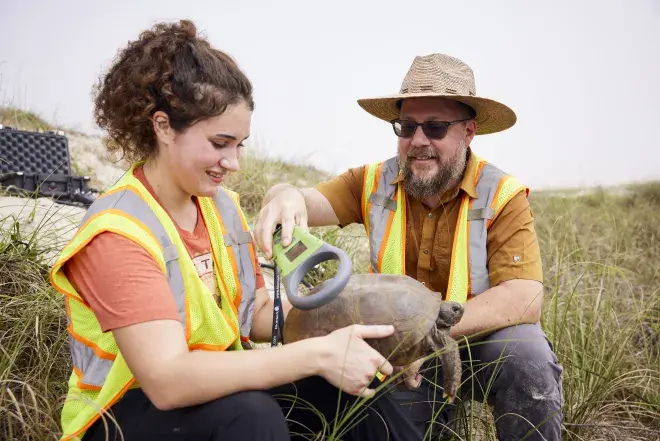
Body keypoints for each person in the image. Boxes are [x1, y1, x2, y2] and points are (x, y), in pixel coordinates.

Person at [48, 20, 424, 441]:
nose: (234, 163)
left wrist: (367, 329)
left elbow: (257, 315)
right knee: (251, 415)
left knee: (354, 390)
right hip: (122, 415)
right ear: (163, 127)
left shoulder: (219, 207)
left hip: (211, 391)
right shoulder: (117, 232)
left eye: (240, 145)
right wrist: (317, 354)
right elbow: (168, 380)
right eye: (219, 143)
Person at [254, 53, 564, 440]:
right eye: (406, 126)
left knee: (527, 355)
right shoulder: (370, 181)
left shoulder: (502, 194)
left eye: (435, 127)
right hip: (395, 354)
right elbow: (303, 199)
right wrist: (284, 194)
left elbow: (523, 298)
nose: (418, 141)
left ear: (468, 132)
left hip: (474, 341)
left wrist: (426, 332)